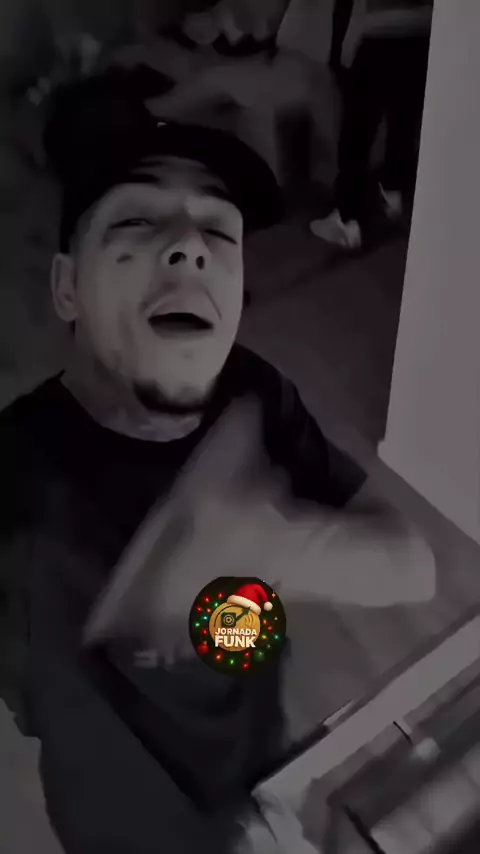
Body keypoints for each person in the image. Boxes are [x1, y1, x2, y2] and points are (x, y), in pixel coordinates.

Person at [0, 72, 435, 854]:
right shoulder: (18, 490)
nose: (192, 247)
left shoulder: (253, 396)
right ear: (67, 287)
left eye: (220, 231)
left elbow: (413, 568)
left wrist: (272, 542)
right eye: (137, 220)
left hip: (266, 774)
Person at [310, 0, 433, 249]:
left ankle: (346, 218)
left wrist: (336, 52)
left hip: (380, 35)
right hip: (423, 31)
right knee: (404, 119)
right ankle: (392, 192)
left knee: (357, 132)